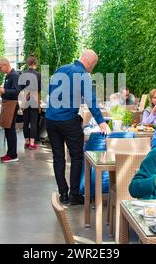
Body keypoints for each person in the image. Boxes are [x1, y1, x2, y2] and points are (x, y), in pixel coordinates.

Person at [46, 49, 111, 205]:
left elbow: (51, 91)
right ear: (90, 63)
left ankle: (63, 193)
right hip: (68, 120)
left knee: (58, 157)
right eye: (93, 66)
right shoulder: (83, 75)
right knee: (76, 156)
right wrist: (101, 122)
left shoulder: (61, 69)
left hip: (50, 119)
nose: (92, 69)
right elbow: (91, 100)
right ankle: (74, 194)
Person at [0, 58, 21, 163]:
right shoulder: (8, 76)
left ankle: (13, 155)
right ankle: (10, 153)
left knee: (10, 129)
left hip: (12, 105)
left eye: (0, 67)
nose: (0, 70)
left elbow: (16, 91)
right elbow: (9, 91)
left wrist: (3, 90)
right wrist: (0, 92)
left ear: (6, 65)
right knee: (8, 129)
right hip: (8, 104)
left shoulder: (14, 75)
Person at [20, 55, 41, 150]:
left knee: (25, 122)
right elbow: (41, 88)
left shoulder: (23, 74)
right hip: (34, 99)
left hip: (25, 98)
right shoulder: (38, 74)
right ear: (34, 63)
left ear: (28, 63)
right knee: (33, 122)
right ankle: (32, 144)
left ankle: (26, 142)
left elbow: (20, 88)